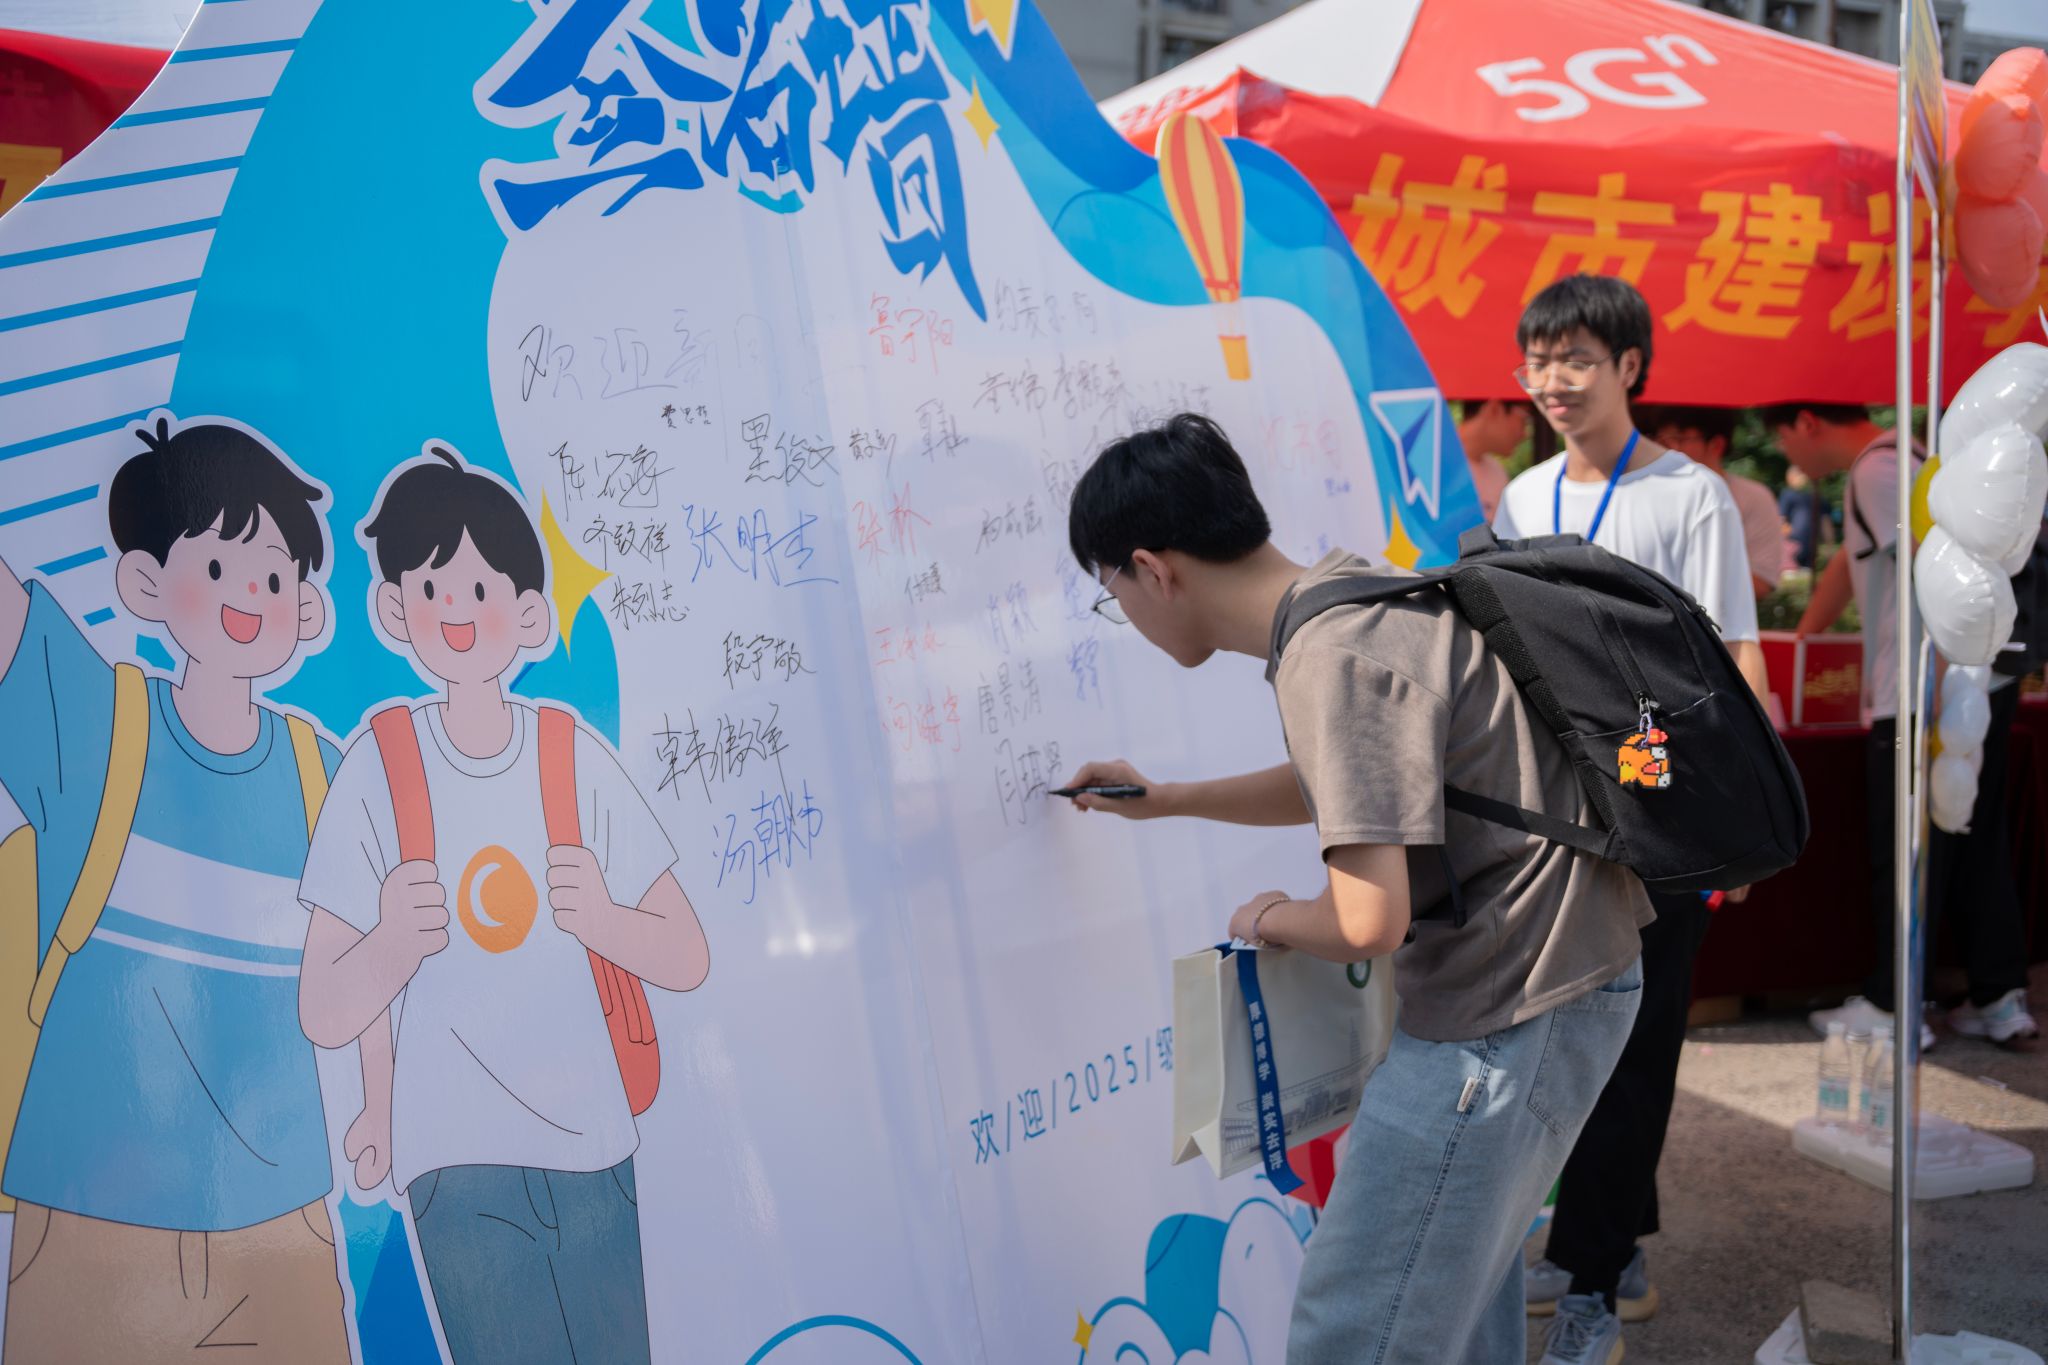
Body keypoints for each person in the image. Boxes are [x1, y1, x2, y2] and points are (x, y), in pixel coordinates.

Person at [1061, 412, 1648, 1364]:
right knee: (1455, 1320)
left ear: (1153, 569)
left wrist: (1272, 917)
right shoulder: (1356, 594)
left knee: (1354, 1329)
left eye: (1111, 592)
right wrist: (1169, 799)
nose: (1122, 611)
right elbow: (1365, 784)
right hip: (1559, 979)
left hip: (1501, 1015)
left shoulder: (1327, 657)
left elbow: (1368, 918)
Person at [297, 446, 711, 1365]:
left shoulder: (569, 753)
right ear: (394, 608)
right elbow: (323, 1005)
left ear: (528, 613)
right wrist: (392, 946)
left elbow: (686, 953)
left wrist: (603, 920)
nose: (456, 609)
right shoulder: (381, 767)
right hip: (457, 1163)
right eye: (432, 586)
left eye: (481, 588)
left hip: (594, 1147)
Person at [0, 416, 351, 1361]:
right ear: (146, 582)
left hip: (281, 1228)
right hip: (90, 1221)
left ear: (306, 607)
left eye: (274, 577)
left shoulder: (325, 776)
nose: (247, 598)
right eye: (219, 565)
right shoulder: (99, 721)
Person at [1491, 277, 1766, 1363]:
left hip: (1661, 809)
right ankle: (1610, 1249)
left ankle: (1594, 1283)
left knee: (1635, 1046)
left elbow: (1734, 656)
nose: (1552, 381)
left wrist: (1740, 816)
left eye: (1575, 359)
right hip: (1555, 811)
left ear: (1630, 368)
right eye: (1537, 361)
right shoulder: (1524, 498)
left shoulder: (1690, 495)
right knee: (1569, 1043)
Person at [1766, 404, 2037, 1049]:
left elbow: (1940, 565)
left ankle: (1895, 1006)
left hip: (1926, 689)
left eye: (1780, 438)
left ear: (1806, 423)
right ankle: (1997, 999)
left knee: (1908, 847)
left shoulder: (1880, 471)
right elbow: (1850, 563)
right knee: (1972, 839)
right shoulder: (1915, 462)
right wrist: (1801, 642)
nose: (1786, 456)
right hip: (1976, 683)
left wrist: (1934, 687)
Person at [1638, 403, 1784, 597]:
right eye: (1662, 440)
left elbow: (1762, 579)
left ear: (1716, 445)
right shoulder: (1643, 498)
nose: (1668, 450)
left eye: (1679, 439)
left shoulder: (1753, 498)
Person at [1456, 397, 1530, 523]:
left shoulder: (1497, 472)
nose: (1525, 434)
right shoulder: (1433, 468)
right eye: (1524, 420)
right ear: (1494, 409)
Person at [1780, 465, 1821, 570]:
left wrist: (1829, 543)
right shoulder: (1788, 494)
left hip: (1810, 544)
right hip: (1794, 544)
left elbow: (1825, 520)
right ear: (1791, 478)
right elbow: (1782, 519)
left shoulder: (1814, 497)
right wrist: (1786, 540)